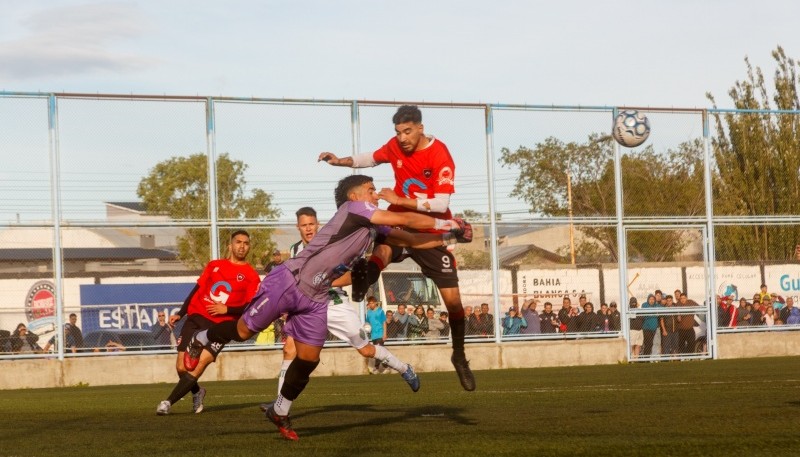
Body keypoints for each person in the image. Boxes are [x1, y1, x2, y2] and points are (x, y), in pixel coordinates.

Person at [183, 175, 471, 440]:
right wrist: (448, 223)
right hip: (289, 282)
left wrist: (450, 236)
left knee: (308, 359)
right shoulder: (352, 209)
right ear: (355, 195)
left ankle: (279, 411)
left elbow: (410, 238)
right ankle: (202, 338)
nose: (376, 193)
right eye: (371, 190)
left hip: (317, 296)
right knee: (243, 331)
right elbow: (405, 218)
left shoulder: (374, 226)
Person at [318, 105, 476, 391]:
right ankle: (365, 277)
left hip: (429, 231)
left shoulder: (440, 154)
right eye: (397, 132)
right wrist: (341, 161)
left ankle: (459, 355)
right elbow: (372, 158)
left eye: (407, 131)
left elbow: (440, 203)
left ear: (420, 128)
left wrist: (400, 200)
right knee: (383, 251)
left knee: (454, 303)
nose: (401, 138)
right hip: (399, 224)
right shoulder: (395, 147)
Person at [271, 208, 421, 397]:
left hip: (334, 303)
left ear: (318, 224)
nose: (308, 229)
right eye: (304, 225)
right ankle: (279, 405)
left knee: (366, 350)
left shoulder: (335, 245)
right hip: (306, 306)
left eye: (311, 224)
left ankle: (404, 368)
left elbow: (352, 276)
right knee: (289, 350)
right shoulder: (295, 249)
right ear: (298, 227)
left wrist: (321, 280)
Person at [156, 230, 261, 416]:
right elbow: (197, 289)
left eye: (246, 243)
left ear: (249, 247)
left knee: (199, 364)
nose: (242, 246)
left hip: (221, 327)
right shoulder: (214, 265)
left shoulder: (251, 275)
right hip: (196, 317)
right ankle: (197, 392)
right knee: (181, 367)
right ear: (230, 245)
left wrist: (226, 310)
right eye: (238, 242)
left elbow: (250, 306)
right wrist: (181, 313)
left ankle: (167, 402)